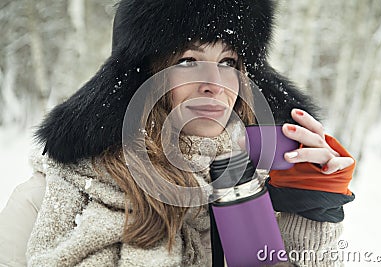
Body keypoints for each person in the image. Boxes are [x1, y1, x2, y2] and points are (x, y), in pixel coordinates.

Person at [0, 0, 355, 266]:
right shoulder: (45, 198)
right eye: (188, 61)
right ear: (143, 75)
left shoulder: (257, 187)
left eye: (228, 62)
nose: (214, 85)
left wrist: (312, 206)